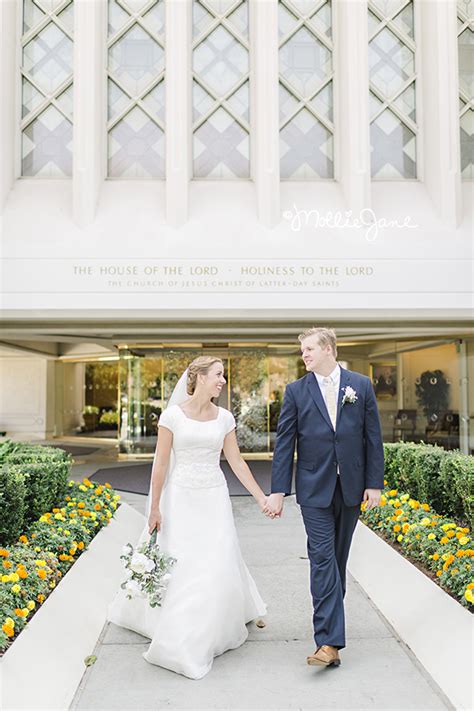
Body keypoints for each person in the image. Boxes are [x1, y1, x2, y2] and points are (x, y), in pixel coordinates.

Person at [107, 356, 269, 679]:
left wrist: (261, 497)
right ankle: (183, 630)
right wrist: (154, 507)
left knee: (217, 560)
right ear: (200, 377)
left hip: (214, 498)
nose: (223, 381)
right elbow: (161, 465)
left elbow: (236, 463)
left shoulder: (225, 418)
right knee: (183, 562)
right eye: (219, 375)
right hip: (180, 497)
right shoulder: (172, 417)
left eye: (223, 375)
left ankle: (211, 625)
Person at [266, 327, 384, 668]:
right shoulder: (295, 391)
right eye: (302, 350)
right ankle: (328, 643)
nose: (303, 354)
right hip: (313, 489)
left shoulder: (360, 385)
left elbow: (372, 438)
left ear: (329, 350)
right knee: (321, 559)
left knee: (337, 560)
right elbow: (285, 443)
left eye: (309, 349)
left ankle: (330, 629)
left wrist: (373, 483)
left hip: (350, 487)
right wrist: (278, 491)